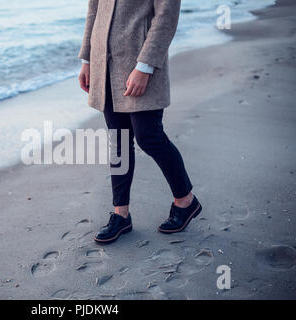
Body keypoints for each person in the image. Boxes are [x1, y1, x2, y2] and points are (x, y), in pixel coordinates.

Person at [78, 0, 202, 244]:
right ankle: (121, 215)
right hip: (104, 65)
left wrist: (145, 66)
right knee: (120, 142)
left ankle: (185, 201)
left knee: (149, 137)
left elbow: (166, 15)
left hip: (140, 65)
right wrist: (87, 59)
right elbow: (93, 10)